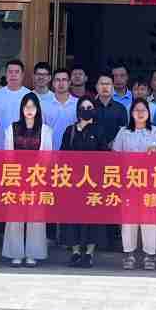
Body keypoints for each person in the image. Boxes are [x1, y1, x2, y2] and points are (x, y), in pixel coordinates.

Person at [112, 98, 156, 269]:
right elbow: (115, 155)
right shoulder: (123, 132)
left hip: (150, 182)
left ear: (149, 113)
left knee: (149, 220)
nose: (140, 113)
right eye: (137, 110)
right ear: (131, 113)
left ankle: (150, 255)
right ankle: (128, 254)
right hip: (129, 182)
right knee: (128, 220)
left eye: (144, 110)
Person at [1, 91, 52, 266]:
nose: (29, 110)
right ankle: (15, 253)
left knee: (35, 216)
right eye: (26, 107)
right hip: (16, 176)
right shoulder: (12, 128)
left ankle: (33, 253)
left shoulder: (45, 130)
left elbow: (47, 157)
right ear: (21, 109)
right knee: (15, 216)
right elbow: (8, 155)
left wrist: (38, 175)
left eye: (33, 107)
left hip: (37, 177)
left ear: (38, 109)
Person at [58, 100, 109, 267]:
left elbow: (105, 155)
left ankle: (89, 253)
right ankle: (75, 252)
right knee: (72, 217)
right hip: (73, 181)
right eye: (83, 108)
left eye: (90, 108)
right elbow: (63, 155)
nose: (86, 110)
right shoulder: (70, 130)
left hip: (93, 182)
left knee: (92, 218)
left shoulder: (99, 130)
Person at [0, 58, 29, 145]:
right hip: (1, 147)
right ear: (6, 74)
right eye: (10, 72)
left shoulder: (29, 96)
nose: (13, 75)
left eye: (17, 72)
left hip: (23, 147)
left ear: (22, 75)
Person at [39, 67, 79, 146]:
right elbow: (41, 130)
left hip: (72, 149)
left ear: (69, 82)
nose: (61, 83)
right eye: (57, 80)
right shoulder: (43, 104)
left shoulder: (78, 104)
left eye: (64, 80)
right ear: (53, 83)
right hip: (50, 148)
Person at [88, 73, 128, 145]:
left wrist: (114, 143)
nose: (105, 87)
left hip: (114, 148)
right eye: (102, 84)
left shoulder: (121, 109)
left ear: (113, 87)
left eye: (108, 84)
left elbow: (124, 132)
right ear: (96, 87)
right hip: (92, 148)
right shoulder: (89, 107)